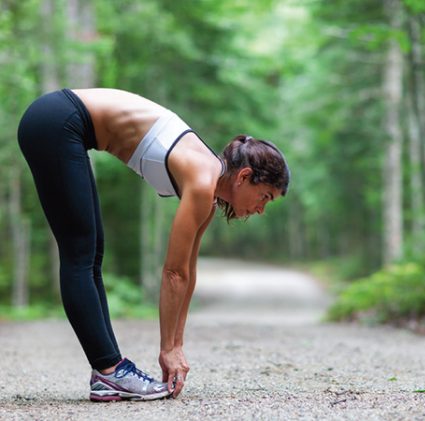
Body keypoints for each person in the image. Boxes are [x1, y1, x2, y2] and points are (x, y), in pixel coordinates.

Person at [17, 88, 290, 402]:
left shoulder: (209, 190)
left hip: (63, 124)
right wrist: (166, 350)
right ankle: (109, 371)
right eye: (265, 196)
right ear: (244, 176)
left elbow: (188, 272)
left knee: (90, 255)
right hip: (57, 120)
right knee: (80, 254)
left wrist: (176, 346)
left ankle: (110, 371)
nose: (261, 209)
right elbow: (173, 273)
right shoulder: (202, 181)